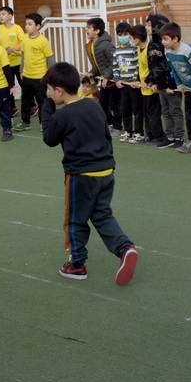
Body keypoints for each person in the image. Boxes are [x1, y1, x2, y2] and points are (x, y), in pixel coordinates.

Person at [39, 61, 137, 284]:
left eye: (49, 90)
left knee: (75, 219)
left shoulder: (63, 116)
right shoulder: (94, 106)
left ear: (59, 91)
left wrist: (47, 108)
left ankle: (77, 264)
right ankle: (125, 248)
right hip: (105, 171)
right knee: (102, 214)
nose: (48, 93)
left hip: (80, 176)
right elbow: (106, 136)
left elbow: (49, 138)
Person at [161, 22, 191, 155]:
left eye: (165, 39)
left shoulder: (187, 51)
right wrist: (179, 85)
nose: (163, 42)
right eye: (162, 39)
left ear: (175, 39)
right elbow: (174, 70)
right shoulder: (168, 51)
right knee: (190, 116)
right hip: (187, 89)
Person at [14, 13, 55, 132]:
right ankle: (25, 122)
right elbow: (23, 55)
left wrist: (50, 76)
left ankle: (43, 122)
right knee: (25, 100)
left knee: (42, 101)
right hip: (26, 76)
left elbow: (49, 58)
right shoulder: (25, 39)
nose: (26, 27)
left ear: (38, 26)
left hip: (40, 77)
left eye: (30, 24)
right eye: (26, 24)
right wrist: (21, 70)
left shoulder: (43, 40)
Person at [145, 14, 180, 148]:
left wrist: (172, 84)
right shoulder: (151, 44)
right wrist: (153, 81)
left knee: (175, 111)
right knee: (165, 112)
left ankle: (178, 137)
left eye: (149, 25)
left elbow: (172, 66)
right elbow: (151, 65)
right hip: (160, 86)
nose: (147, 27)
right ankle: (169, 136)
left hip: (171, 86)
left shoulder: (166, 45)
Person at [84, 17, 120, 133]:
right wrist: (92, 72)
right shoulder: (90, 45)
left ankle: (117, 127)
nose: (86, 30)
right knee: (103, 103)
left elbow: (114, 63)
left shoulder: (106, 45)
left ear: (97, 31)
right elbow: (98, 64)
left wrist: (107, 77)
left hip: (112, 80)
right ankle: (108, 124)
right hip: (105, 79)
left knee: (115, 104)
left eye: (89, 28)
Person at [129, 24, 163, 144]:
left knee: (153, 114)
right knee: (146, 113)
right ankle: (149, 135)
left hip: (151, 88)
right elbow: (140, 68)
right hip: (143, 88)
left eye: (131, 38)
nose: (130, 41)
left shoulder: (149, 49)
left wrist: (147, 81)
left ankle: (158, 135)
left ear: (137, 39)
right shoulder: (139, 49)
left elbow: (153, 68)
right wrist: (137, 80)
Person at [113, 22, 144, 143]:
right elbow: (115, 67)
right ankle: (128, 131)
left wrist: (136, 79)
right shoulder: (116, 51)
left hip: (133, 85)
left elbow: (137, 65)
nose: (123, 36)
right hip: (122, 85)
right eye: (120, 34)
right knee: (125, 109)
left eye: (125, 34)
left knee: (136, 109)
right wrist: (117, 80)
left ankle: (138, 131)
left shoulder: (134, 49)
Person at [0, 6, 25, 116]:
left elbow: (23, 42)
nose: (1, 16)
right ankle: (12, 107)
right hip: (6, 63)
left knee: (24, 84)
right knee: (9, 86)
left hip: (18, 62)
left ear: (10, 16)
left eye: (3, 14)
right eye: (0, 14)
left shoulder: (17, 28)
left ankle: (32, 106)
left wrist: (14, 49)